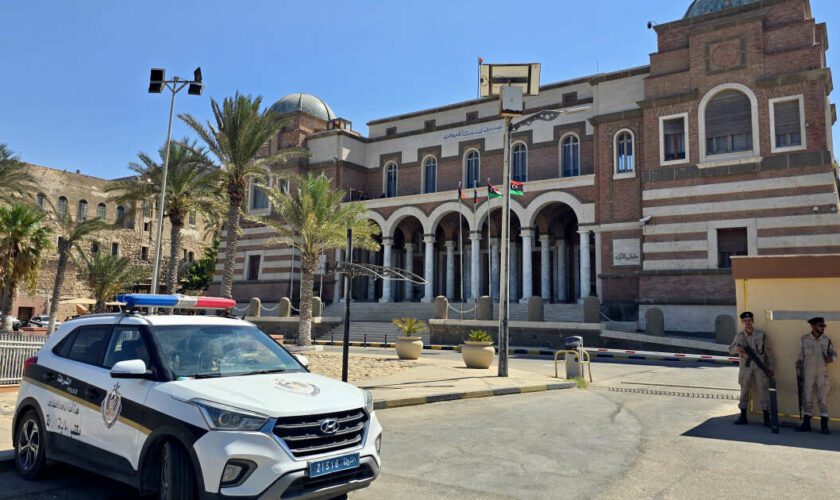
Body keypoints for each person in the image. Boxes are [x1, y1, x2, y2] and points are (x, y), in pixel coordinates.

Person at [729, 311, 775, 426]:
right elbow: (730, 349)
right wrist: (737, 349)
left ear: (752, 321)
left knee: (762, 390)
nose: (747, 323)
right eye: (745, 321)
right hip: (746, 367)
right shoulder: (739, 336)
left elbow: (769, 353)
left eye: (749, 320)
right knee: (744, 390)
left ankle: (766, 418)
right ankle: (743, 416)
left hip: (760, 367)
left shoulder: (761, 335)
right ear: (743, 322)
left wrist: (771, 367)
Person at [796, 317, 836, 434]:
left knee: (822, 399)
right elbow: (800, 358)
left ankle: (824, 426)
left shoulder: (827, 340)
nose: (823, 328)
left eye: (823, 326)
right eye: (820, 326)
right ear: (813, 326)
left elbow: (834, 354)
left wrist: (832, 358)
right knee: (807, 398)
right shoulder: (804, 340)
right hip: (808, 374)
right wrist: (799, 373)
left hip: (822, 375)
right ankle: (806, 424)